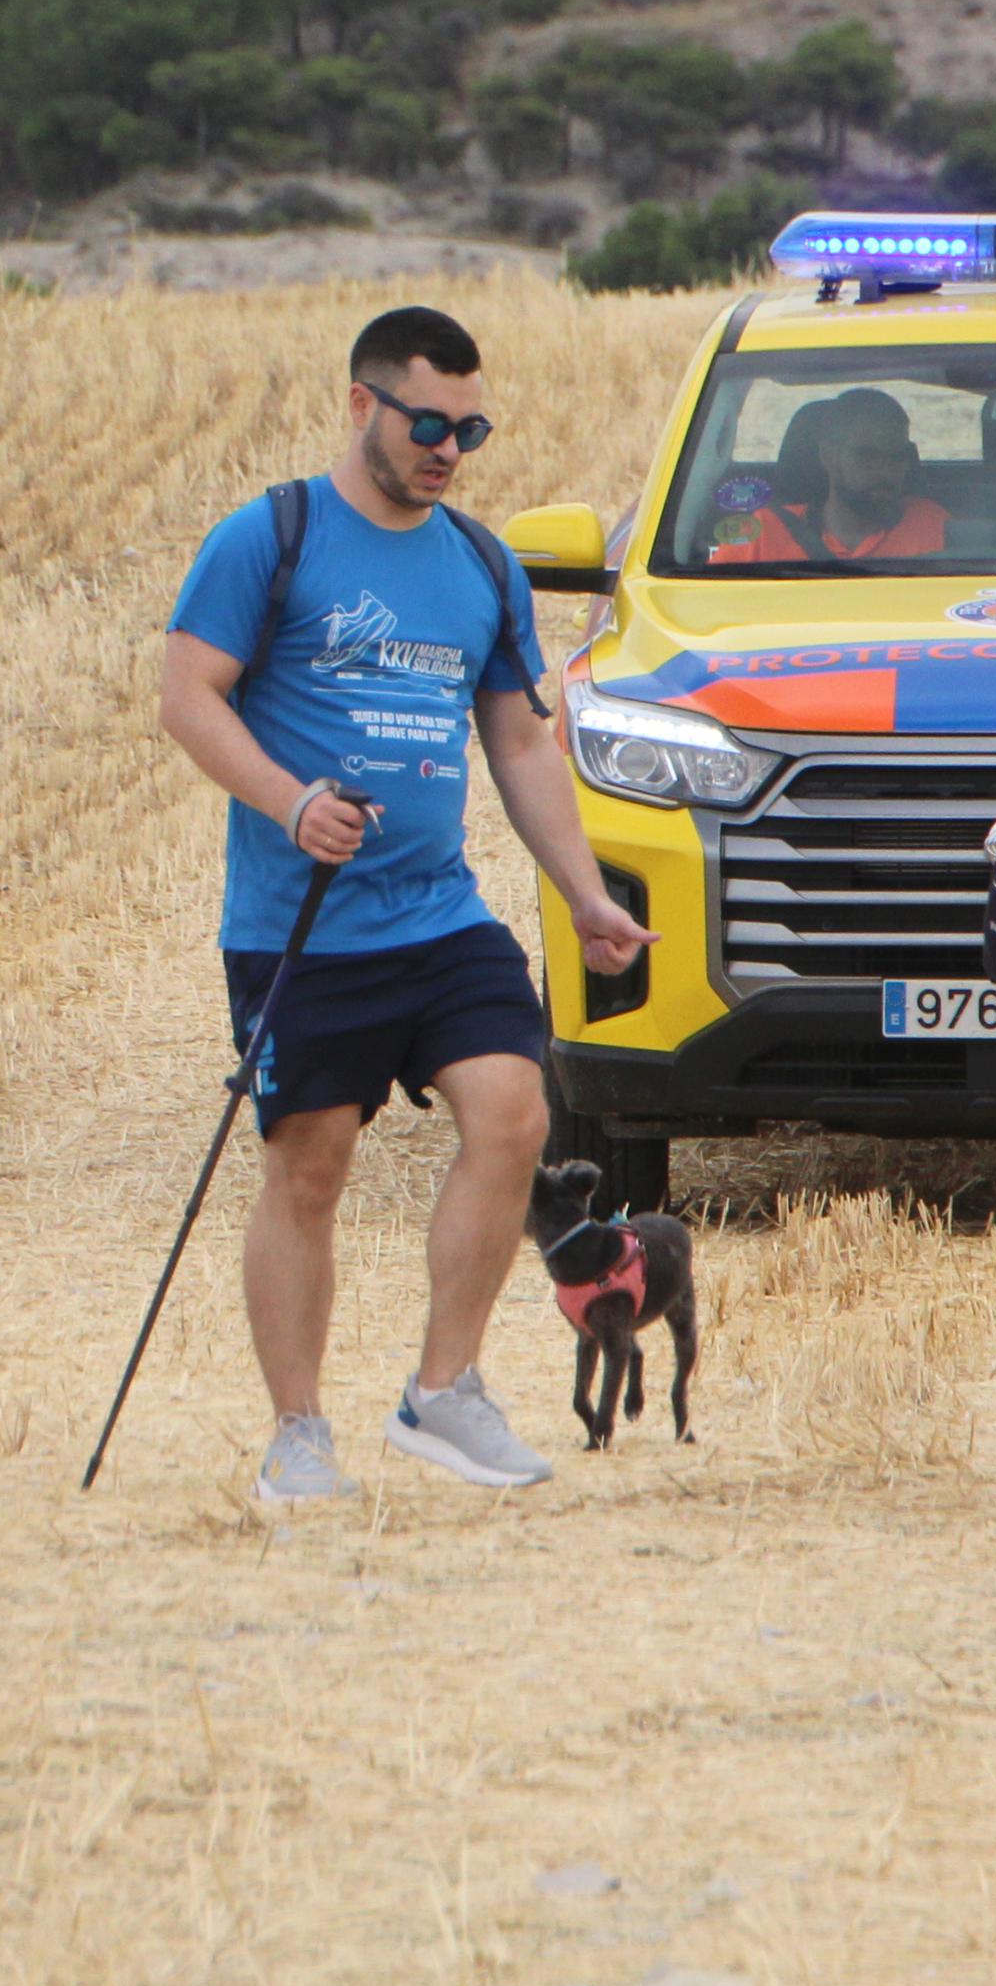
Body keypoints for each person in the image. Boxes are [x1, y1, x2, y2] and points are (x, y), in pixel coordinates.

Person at [159, 306, 658, 1506]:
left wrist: (584, 893)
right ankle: (297, 1435)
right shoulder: (268, 538)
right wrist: (288, 803)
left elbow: (521, 744)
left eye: (468, 428)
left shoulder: (479, 563)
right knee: (309, 1167)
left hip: (438, 915)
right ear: (359, 404)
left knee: (512, 1109)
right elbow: (187, 696)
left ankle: (443, 1394)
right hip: (301, 922)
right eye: (427, 422)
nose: (447, 447)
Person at [706, 386, 949, 563]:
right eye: (867, 456)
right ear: (829, 457)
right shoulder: (764, 533)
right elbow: (703, 601)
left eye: (897, 457)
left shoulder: (933, 524)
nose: (885, 469)